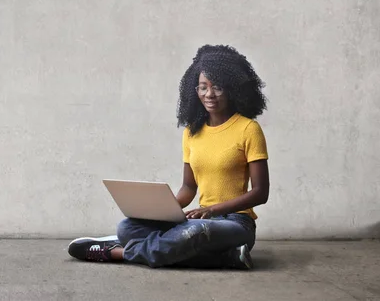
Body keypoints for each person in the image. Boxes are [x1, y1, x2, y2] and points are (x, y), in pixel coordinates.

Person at [67, 45, 270, 269]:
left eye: (218, 87)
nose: (209, 94)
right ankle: (226, 257)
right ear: (195, 91)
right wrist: (161, 211)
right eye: (203, 87)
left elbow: (260, 193)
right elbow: (188, 188)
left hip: (235, 223)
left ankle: (118, 252)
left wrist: (212, 210)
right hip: (199, 220)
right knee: (127, 228)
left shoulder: (248, 129)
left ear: (231, 89)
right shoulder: (192, 132)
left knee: (193, 232)